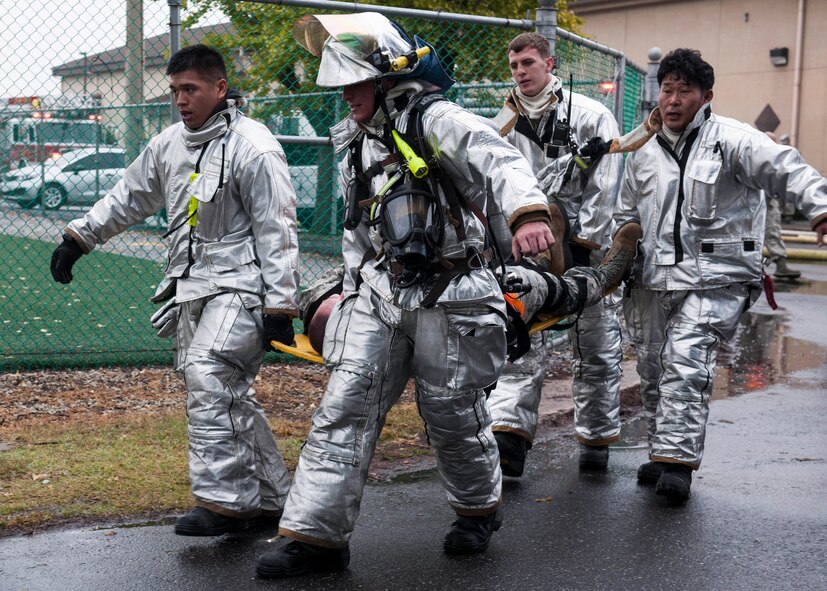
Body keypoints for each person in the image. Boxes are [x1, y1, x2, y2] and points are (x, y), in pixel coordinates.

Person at [255, 12, 558, 578]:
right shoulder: (352, 137)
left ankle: (476, 510)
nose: (346, 93)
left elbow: (501, 159)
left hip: (453, 291)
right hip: (378, 292)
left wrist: (528, 214)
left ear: (385, 75)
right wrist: (347, 292)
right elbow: (355, 226)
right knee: (345, 406)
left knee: (451, 414)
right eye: (341, 82)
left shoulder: (435, 117)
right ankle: (316, 537)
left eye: (355, 80)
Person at [49, 44, 300, 535]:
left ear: (220, 88)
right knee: (229, 394)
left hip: (243, 286)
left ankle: (227, 503)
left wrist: (280, 305)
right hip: (191, 286)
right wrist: (79, 238)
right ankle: (276, 500)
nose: (181, 100)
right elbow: (128, 196)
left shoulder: (255, 146)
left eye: (191, 89)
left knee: (209, 373)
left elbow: (278, 228)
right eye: (175, 91)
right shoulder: (169, 144)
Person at [617, 48, 827, 503]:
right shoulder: (642, 150)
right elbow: (625, 213)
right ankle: (663, 448)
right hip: (654, 279)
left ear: (706, 96)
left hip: (718, 275)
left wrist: (821, 208)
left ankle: (676, 464)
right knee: (654, 367)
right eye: (666, 90)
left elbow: (786, 168)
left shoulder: (734, 140)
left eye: (684, 91)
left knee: (686, 361)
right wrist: (612, 260)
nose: (672, 100)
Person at [488, 32, 624, 474]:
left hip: (589, 249)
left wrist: (587, 249)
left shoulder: (591, 116)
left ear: (550, 64)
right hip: (529, 248)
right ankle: (509, 435)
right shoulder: (501, 123)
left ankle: (596, 439)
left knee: (596, 344)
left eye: (528, 62)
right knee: (520, 336)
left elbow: (607, 187)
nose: (520, 72)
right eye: (513, 66)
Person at [762, 132, 801, 280]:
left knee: (772, 229)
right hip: (760, 202)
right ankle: (779, 263)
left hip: (770, 200)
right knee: (770, 230)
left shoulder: (776, 157)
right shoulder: (758, 156)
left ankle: (780, 263)